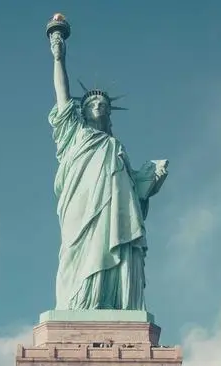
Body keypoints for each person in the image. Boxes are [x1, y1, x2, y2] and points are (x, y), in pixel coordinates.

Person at [47, 30, 169, 311]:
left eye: (103, 104)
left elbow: (135, 191)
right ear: (84, 111)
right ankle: (78, 304)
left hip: (115, 211)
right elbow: (63, 97)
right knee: (77, 251)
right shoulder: (74, 133)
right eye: (92, 103)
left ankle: (113, 303)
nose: (99, 106)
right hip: (81, 206)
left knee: (116, 246)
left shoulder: (116, 147)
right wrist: (58, 59)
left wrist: (152, 179)